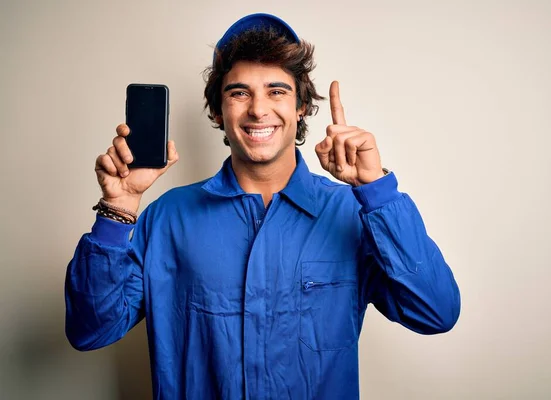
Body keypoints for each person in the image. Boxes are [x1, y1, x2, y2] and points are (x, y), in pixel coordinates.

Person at [65, 13, 461, 399]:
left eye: (277, 91)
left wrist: (377, 192)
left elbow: (435, 312)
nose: (258, 109)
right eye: (239, 92)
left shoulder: (353, 215)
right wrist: (117, 209)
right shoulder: (168, 218)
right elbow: (89, 330)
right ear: (218, 111)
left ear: (301, 106)